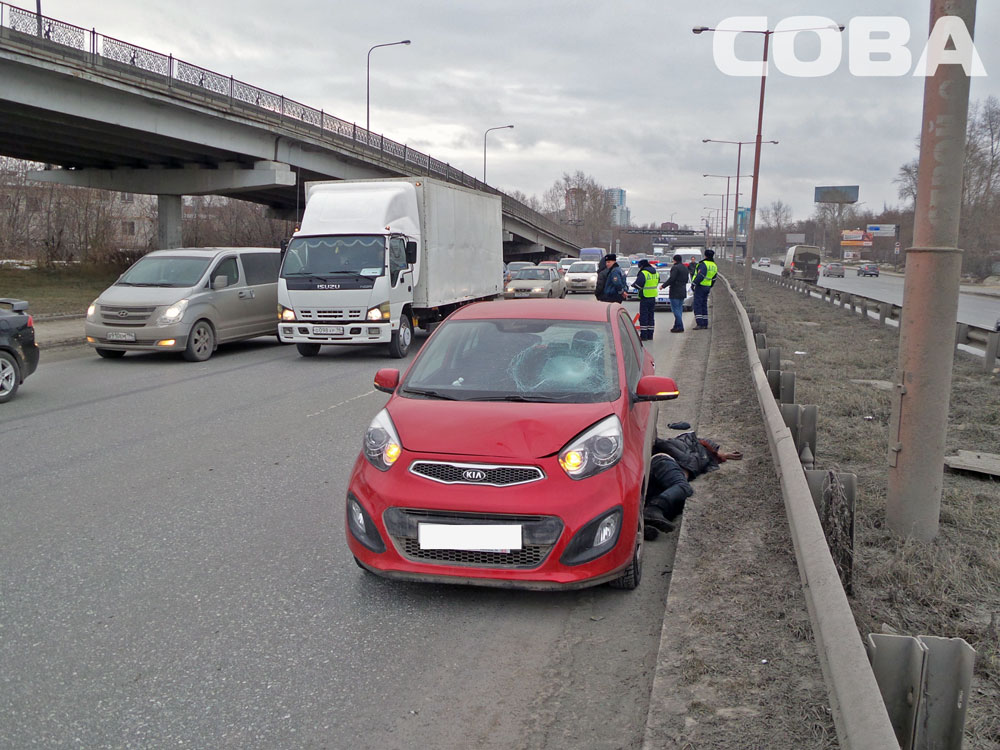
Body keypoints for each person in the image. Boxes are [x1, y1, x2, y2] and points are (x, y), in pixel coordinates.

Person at [643, 430, 743, 534]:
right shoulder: (689, 445)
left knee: (674, 504)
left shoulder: (699, 454)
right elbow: (665, 445)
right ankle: (654, 508)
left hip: (664, 469)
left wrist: (725, 455)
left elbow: (711, 456)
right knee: (684, 488)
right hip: (663, 462)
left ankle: (646, 521)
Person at [691, 248, 719, 329]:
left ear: (705, 256)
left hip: (700, 286)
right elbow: (714, 278)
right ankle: (705, 323)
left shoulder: (703, 264)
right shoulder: (714, 265)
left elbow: (701, 275)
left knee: (697, 305)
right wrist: (710, 286)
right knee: (704, 304)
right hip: (707, 287)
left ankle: (699, 323)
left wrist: (693, 284)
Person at [631, 259, 658, 340]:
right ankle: (650, 335)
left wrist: (633, 285)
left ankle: (644, 336)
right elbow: (657, 282)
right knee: (651, 316)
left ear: (642, 266)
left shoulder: (644, 273)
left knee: (644, 316)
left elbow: (638, 285)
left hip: (645, 296)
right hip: (653, 296)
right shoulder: (655, 272)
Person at [664, 254, 690, 333]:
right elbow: (686, 279)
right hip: (682, 290)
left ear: (674, 260)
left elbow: (672, 278)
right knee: (679, 309)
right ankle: (676, 326)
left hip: (675, 290)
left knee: (675, 309)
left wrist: (664, 285)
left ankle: (680, 326)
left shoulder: (675, 268)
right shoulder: (685, 268)